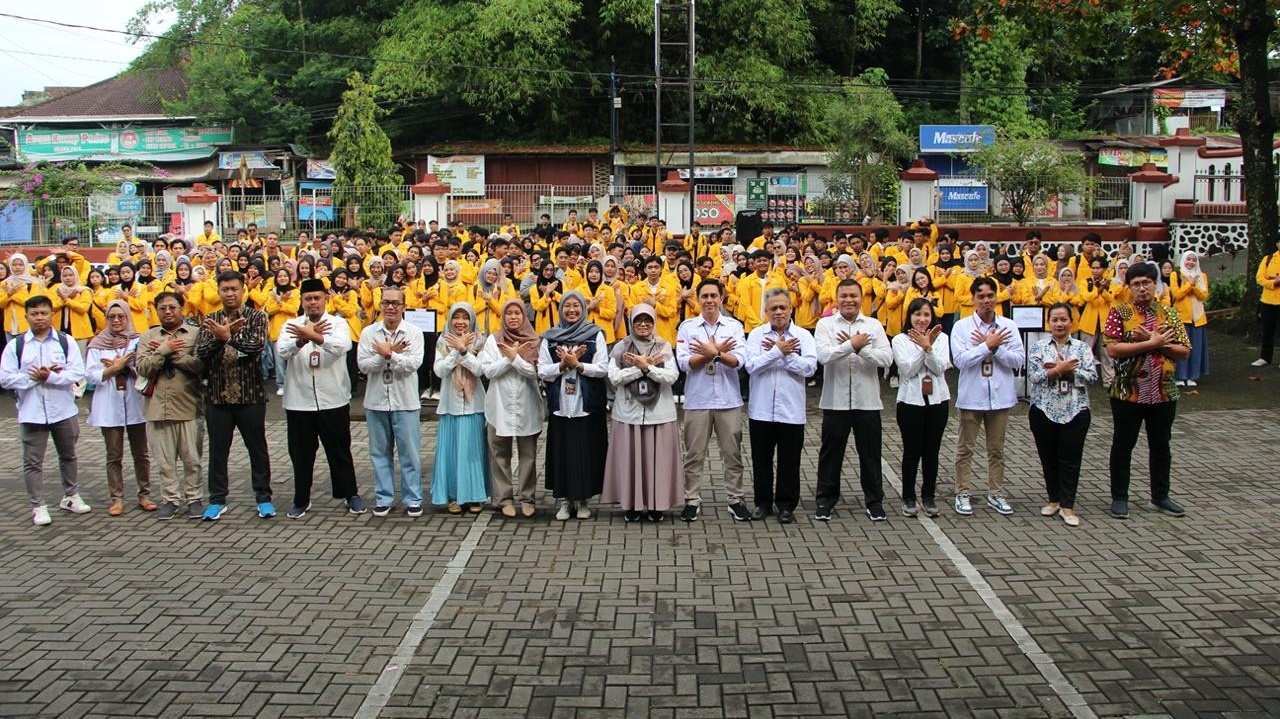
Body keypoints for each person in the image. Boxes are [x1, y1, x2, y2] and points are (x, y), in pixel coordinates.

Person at [1104, 261, 1191, 519]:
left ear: (1155, 284)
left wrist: (1157, 343)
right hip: (1128, 392)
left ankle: (1160, 496)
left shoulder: (1169, 313)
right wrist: (1149, 344)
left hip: (1164, 392)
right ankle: (1120, 497)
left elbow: (1184, 351)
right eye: (1136, 284)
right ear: (1128, 287)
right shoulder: (1120, 312)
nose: (1142, 288)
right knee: (1123, 445)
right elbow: (1113, 349)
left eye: (1146, 283)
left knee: (1161, 445)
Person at [278, 278, 363, 519]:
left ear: (326, 298)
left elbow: (342, 347)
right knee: (301, 454)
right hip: (299, 401)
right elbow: (282, 351)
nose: (313, 302)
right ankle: (301, 499)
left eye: (317, 298)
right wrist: (301, 339)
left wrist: (316, 337)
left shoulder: (338, 323)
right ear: (302, 301)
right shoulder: (291, 325)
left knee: (339, 451)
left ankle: (350, 494)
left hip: (333, 399)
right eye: (308, 299)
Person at [0, 295, 88, 526]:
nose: (39, 318)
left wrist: (50, 377)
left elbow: (77, 373)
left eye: (44, 313)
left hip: (63, 410)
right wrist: (33, 379)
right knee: (33, 462)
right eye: (34, 313)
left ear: (52, 315)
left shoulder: (65, 341)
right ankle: (38, 506)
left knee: (68, 455)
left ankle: (71, 496)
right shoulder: (16, 345)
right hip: (32, 411)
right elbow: (6, 378)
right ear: (26, 316)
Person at [195, 270, 273, 520]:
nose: (230, 293)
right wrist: (219, 339)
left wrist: (228, 336)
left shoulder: (257, 316)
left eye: (234, 289)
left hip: (250, 395)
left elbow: (256, 346)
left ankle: (263, 497)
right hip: (217, 396)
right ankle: (217, 499)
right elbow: (201, 352)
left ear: (243, 290)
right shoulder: (210, 319)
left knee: (257, 448)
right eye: (225, 289)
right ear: (219, 292)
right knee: (218, 451)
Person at [814, 279, 893, 521]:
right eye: (844, 296)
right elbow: (823, 356)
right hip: (835, 401)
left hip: (867, 401)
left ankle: (874, 501)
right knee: (831, 454)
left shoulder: (873, 325)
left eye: (853, 296)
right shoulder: (825, 324)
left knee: (870, 454)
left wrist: (861, 349)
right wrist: (851, 344)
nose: (849, 300)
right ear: (836, 299)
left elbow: (887, 359)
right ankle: (825, 500)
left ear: (861, 298)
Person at [674, 279, 749, 522]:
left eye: (713, 295)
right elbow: (683, 363)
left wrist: (713, 353)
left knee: (732, 454)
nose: (709, 300)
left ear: (721, 297)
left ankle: (735, 499)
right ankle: (691, 499)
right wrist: (714, 353)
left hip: (728, 400)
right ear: (698, 299)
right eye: (704, 296)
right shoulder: (687, 327)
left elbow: (739, 361)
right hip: (698, 400)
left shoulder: (734, 326)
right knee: (694, 454)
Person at [601, 304, 683, 522]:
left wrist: (647, 368)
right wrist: (639, 368)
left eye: (648, 320)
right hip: (629, 414)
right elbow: (614, 378)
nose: (643, 324)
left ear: (654, 322)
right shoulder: (621, 347)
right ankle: (632, 505)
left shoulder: (663, 346)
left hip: (659, 414)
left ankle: (657, 505)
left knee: (658, 463)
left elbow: (671, 377)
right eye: (638, 320)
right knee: (631, 461)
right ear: (631, 322)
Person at [950, 276, 1024, 517]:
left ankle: (996, 492)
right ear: (973, 299)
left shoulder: (1008, 326)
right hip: (972, 396)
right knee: (965, 449)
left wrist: (996, 347)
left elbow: (1018, 360)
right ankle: (962, 492)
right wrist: (986, 346)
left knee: (996, 449)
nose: (986, 300)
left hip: (1001, 397)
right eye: (980, 296)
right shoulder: (962, 327)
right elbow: (960, 361)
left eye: (990, 295)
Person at [743, 288, 817, 524]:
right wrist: (778, 351)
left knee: (790, 461)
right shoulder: (756, 335)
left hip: (791, 410)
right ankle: (762, 503)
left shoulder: (803, 336)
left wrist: (785, 356)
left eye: (782, 307)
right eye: (773, 308)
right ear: (765, 311)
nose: (778, 312)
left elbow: (810, 368)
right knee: (761, 459)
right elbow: (751, 366)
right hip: (761, 409)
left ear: (790, 309)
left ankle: (786, 505)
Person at [538, 292, 609, 520]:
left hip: (587, 405)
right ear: (560, 310)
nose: (571, 310)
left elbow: (603, 368)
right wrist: (561, 365)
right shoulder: (550, 337)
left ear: (583, 309)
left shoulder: (594, 334)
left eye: (576, 306)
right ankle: (565, 502)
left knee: (586, 453)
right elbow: (542, 370)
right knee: (563, 453)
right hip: (561, 406)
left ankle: (584, 500)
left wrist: (578, 365)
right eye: (567, 306)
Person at [357, 286, 426, 517]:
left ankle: (413, 498)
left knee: (410, 454)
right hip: (376, 401)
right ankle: (383, 497)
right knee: (379, 453)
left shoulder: (414, 332)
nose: (390, 307)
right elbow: (363, 365)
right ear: (380, 305)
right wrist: (384, 355)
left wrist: (389, 354)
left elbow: (412, 364)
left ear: (404, 306)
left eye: (395, 303)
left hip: (405, 402)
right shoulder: (369, 333)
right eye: (386, 302)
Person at [136, 292, 205, 520]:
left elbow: (201, 365)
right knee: (165, 462)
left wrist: (172, 354)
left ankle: (194, 498)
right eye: (162, 308)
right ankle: (170, 499)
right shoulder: (148, 336)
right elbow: (142, 367)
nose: (168, 312)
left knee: (192, 459)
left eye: (172, 307)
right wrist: (161, 351)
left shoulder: (195, 334)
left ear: (181, 308)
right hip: (157, 408)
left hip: (188, 405)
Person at [1027, 303, 1097, 527]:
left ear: (1071, 322)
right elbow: (1034, 376)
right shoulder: (1038, 347)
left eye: (1063, 319)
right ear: (1048, 323)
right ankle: (1054, 499)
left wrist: (1071, 371)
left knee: (1071, 459)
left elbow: (1092, 377)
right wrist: (1056, 370)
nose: (1059, 324)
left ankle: (1068, 505)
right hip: (1043, 410)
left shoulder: (1082, 348)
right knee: (1048, 457)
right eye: (1055, 320)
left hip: (1076, 410)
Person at [85, 300, 153, 517]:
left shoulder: (138, 341)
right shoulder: (97, 344)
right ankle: (117, 498)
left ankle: (144, 494)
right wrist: (113, 369)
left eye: (120, 316)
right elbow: (90, 375)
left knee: (141, 453)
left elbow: (147, 367)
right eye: (111, 317)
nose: (116, 320)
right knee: (114, 454)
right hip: (109, 403)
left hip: (135, 402)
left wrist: (127, 366)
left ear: (127, 317)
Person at [480, 299, 544, 518]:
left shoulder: (534, 341)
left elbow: (534, 372)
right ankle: (504, 498)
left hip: (527, 403)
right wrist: (510, 360)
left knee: (528, 454)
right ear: (503, 317)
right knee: (499, 452)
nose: (513, 317)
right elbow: (488, 371)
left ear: (524, 316)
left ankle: (527, 497)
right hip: (499, 403)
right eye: (509, 313)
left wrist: (514, 357)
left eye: (517, 313)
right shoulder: (493, 340)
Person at [891, 297, 951, 518]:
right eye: (917, 314)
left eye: (926, 314)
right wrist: (924, 348)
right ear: (910, 316)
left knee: (931, 451)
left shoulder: (942, 338)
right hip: (910, 401)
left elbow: (939, 368)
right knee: (911, 451)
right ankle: (908, 496)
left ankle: (929, 495)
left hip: (938, 401)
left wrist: (929, 347)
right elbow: (907, 370)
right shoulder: (899, 340)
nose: (922, 319)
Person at [432, 303, 491, 514]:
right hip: (450, 406)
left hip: (474, 405)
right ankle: (453, 494)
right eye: (456, 317)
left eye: (465, 317)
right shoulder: (443, 341)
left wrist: (464, 350)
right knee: (452, 453)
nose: (460, 322)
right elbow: (439, 370)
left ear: (472, 320)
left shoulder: (481, 341)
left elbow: (479, 370)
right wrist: (456, 351)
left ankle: (475, 495)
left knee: (473, 453)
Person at [1170, 251, 1210, 387]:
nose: (1191, 262)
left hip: (1198, 318)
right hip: (1181, 317)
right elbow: (1176, 294)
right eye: (1188, 259)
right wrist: (1189, 285)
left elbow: (1204, 296)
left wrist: (1193, 287)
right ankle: (1180, 376)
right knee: (1181, 347)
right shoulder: (1176, 275)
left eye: (1194, 260)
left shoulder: (1202, 276)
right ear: (1183, 260)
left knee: (1196, 348)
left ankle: (1193, 376)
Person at [1254, 244, 1280, 367]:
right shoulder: (1268, 259)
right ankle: (1265, 358)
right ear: (1277, 244)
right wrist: (1274, 282)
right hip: (1267, 301)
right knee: (1267, 331)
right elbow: (1259, 278)